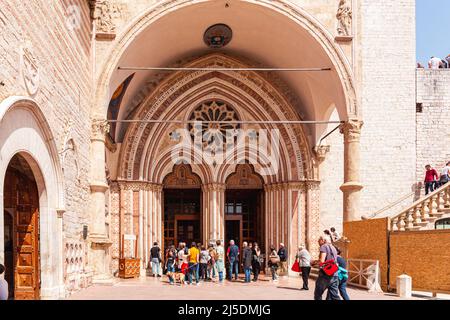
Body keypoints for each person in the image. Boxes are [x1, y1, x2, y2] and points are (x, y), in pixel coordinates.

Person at [312, 235, 340, 300]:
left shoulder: (323, 246)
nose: (318, 242)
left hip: (325, 275)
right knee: (334, 296)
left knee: (318, 294)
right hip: (334, 274)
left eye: (319, 240)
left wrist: (313, 262)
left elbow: (322, 261)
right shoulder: (333, 247)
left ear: (323, 240)